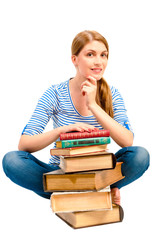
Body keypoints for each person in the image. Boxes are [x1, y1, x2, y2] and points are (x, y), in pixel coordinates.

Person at [2, 30, 150, 204]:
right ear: (75, 60)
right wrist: (62, 130)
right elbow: (24, 144)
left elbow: (127, 141)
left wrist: (93, 105)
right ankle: (96, 193)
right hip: (61, 172)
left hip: (100, 171)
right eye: (90, 54)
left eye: (104, 55)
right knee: (11, 160)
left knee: (140, 155)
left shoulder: (113, 94)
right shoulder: (55, 94)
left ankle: (71, 194)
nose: (99, 62)